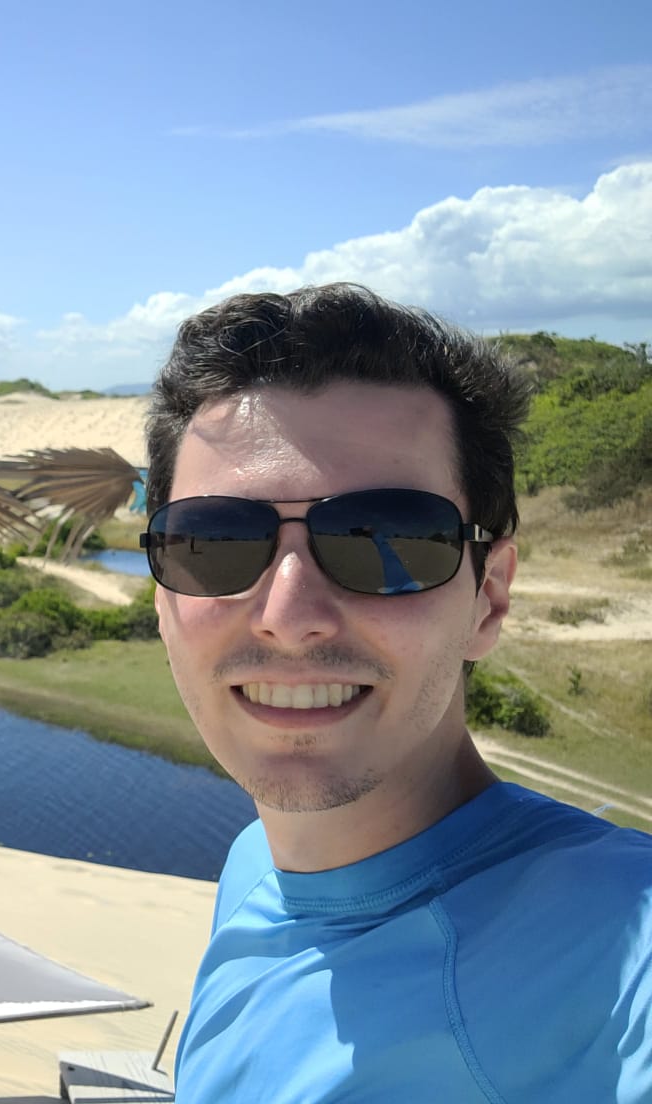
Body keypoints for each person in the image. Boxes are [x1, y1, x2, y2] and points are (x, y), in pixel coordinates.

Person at [140, 283, 652, 1102]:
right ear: (163, 599)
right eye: (216, 540)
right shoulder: (254, 864)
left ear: (488, 597)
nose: (289, 617)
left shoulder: (619, 950)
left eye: (386, 539)